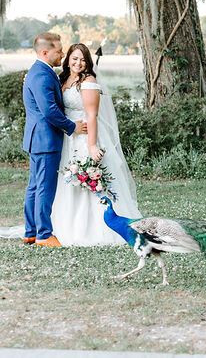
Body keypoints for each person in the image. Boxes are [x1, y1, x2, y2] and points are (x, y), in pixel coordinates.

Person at [50, 43, 142, 246]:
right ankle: (66, 224)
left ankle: (94, 228)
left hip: (85, 135)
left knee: (89, 179)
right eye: (74, 58)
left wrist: (92, 145)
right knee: (68, 181)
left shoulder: (89, 81)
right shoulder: (64, 79)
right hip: (69, 136)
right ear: (68, 60)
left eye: (82, 59)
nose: (78, 63)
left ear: (88, 62)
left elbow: (92, 115)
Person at [22, 33, 87, 247]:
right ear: (44, 52)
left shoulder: (41, 71)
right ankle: (43, 235)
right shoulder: (41, 74)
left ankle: (31, 232)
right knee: (44, 188)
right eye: (59, 51)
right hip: (45, 139)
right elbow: (49, 111)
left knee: (35, 186)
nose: (62, 54)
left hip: (38, 138)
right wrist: (72, 127)